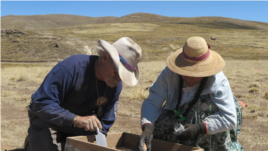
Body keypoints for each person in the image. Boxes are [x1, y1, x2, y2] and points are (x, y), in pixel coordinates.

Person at [25, 37, 142, 151]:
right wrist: (76, 119)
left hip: (81, 127)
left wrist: (96, 138)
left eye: (123, 76)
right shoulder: (71, 68)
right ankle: (34, 140)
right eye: (117, 72)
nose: (119, 79)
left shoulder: (115, 84)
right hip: (50, 120)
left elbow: (105, 122)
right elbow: (41, 103)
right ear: (105, 58)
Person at [138, 36, 244, 151]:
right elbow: (153, 100)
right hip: (176, 115)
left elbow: (229, 118)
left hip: (208, 128)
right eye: (184, 73)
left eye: (194, 75)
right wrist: (147, 127)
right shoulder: (169, 73)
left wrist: (200, 128)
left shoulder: (218, 80)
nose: (188, 78)